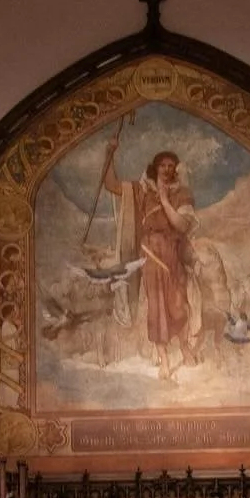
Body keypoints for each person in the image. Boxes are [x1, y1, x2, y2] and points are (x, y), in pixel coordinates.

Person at [104, 148, 203, 380]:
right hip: (151, 254)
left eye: (171, 165)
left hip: (173, 251)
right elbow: (111, 184)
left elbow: (181, 225)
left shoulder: (182, 194)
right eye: (163, 165)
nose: (167, 169)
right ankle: (165, 360)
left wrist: (166, 200)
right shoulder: (141, 190)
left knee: (178, 306)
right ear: (155, 167)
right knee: (157, 307)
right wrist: (109, 153)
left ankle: (184, 347)